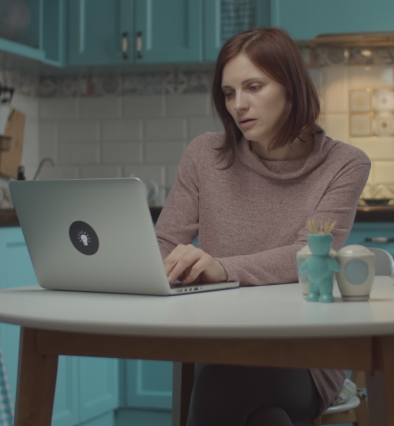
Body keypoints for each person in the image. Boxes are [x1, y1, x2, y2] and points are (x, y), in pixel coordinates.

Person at [155, 28, 371, 426]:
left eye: (254, 87)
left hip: (306, 355)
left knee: (224, 384)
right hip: (222, 345)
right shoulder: (205, 154)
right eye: (229, 92)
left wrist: (223, 269)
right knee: (263, 417)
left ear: (291, 86)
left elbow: (308, 254)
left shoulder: (345, 164)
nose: (239, 104)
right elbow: (165, 242)